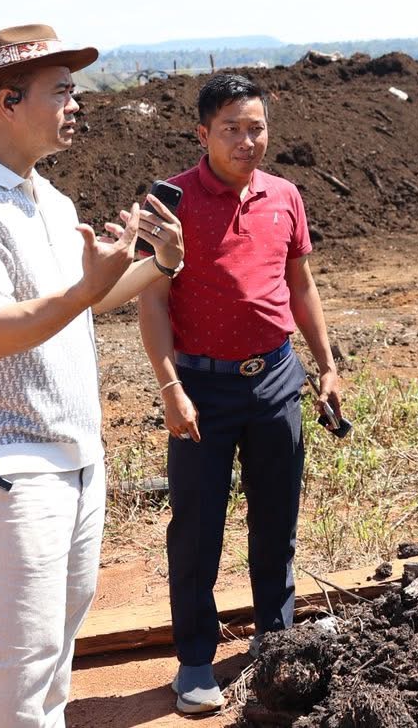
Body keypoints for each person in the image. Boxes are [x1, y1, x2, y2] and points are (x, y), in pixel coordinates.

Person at [0, 23, 185, 728]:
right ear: (7, 100)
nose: (75, 104)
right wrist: (87, 287)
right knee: (19, 658)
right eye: (60, 91)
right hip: (9, 459)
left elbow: (81, 301)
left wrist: (159, 264)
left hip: (73, 453)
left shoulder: (48, 199)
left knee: (55, 651)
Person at [138, 72, 343, 716]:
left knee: (276, 519)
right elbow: (151, 301)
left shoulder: (284, 196)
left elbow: (300, 285)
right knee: (197, 528)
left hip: (276, 377)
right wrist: (170, 386)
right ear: (203, 134)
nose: (246, 141)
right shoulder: (168, 201)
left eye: (256, 128)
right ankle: (196, 662)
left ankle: (274, 644)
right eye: (231, 128)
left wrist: (326, 365)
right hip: (202, 385)